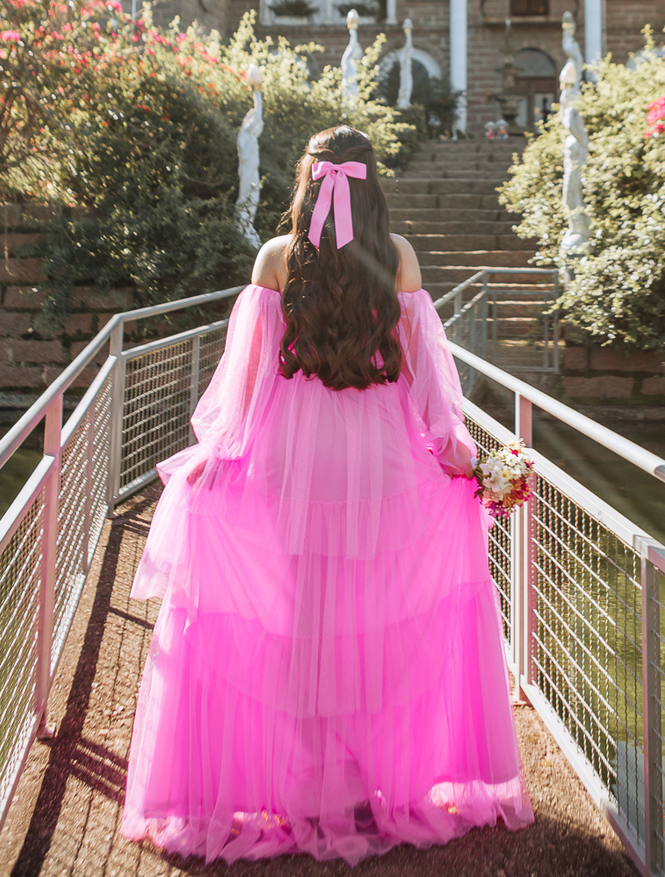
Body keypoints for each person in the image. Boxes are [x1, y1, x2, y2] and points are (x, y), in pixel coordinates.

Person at [122, 125, 532, 865]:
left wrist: (216, 455)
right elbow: (428, 378)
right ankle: (365, 782)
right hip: (379, 460)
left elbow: (245, 379)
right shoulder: (398, 256)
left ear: (309, 183)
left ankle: (305, 783)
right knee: (375, 620)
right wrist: (459, 457)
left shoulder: (277, 259)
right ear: (373, 185)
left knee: (298, 619)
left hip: (291, 458)